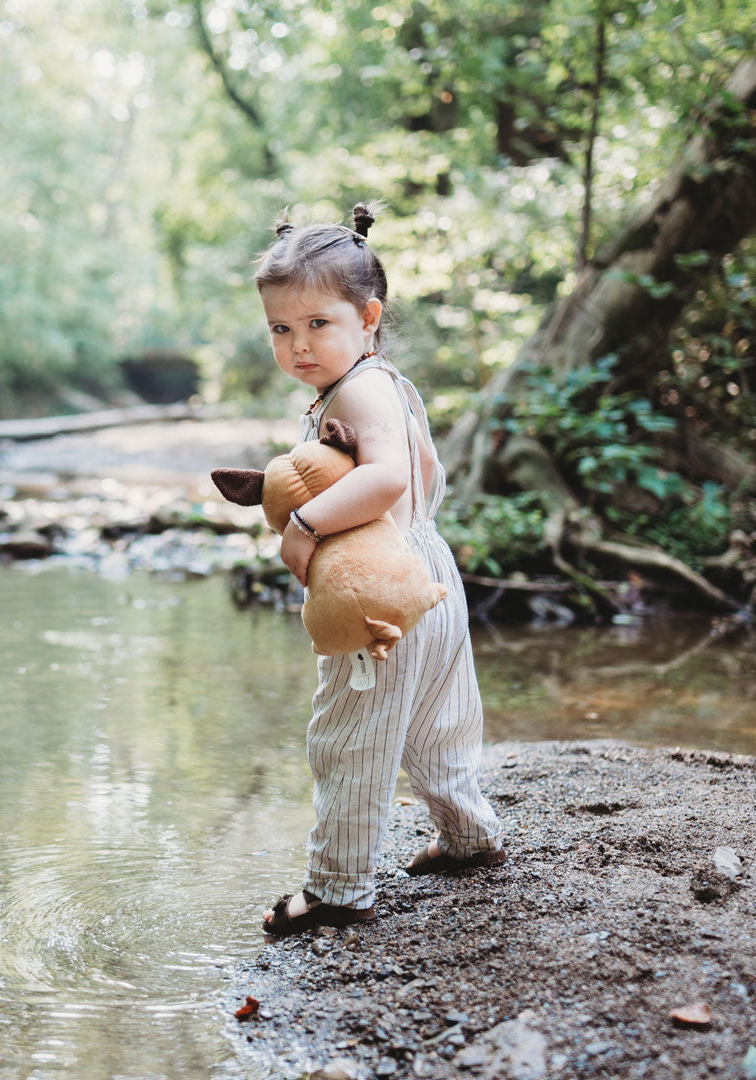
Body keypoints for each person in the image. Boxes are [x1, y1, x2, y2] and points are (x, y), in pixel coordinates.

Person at [257, 202, 506, 937]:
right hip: (427, 570)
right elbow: (430, 472)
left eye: (317, 324)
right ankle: (470, 838)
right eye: (281, 328)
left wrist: (305, 525)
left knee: (352, 735)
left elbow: (392, 477)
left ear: (368, 317)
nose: (299, 345)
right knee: (439, 723)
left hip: (382, 599)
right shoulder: (387, 383)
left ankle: (338, 887)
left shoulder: (358, 389)